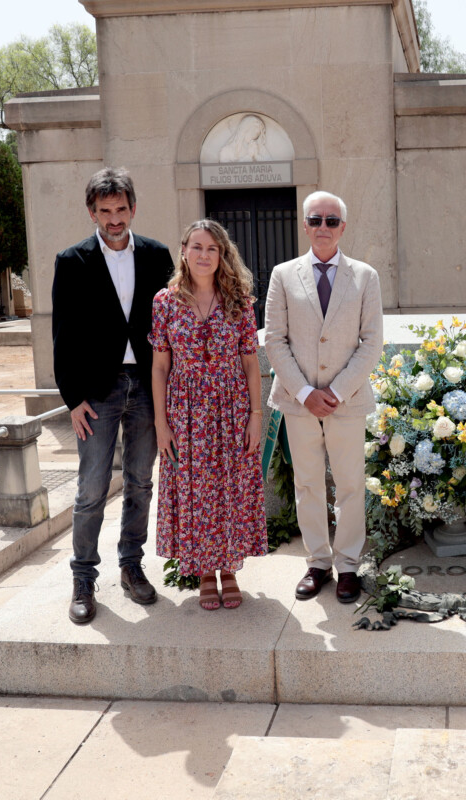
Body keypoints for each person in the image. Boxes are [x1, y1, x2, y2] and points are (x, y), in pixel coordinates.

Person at [52, 167, 174, 624]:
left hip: (146, 386)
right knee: (91, 489)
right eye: (104, 211)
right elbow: (62, 335)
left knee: (141, 481)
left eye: (121, 209)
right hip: (97, 393)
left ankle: (131, 565)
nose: (114, 218)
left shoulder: (158, 255)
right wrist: (72, 398)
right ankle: (83, 578)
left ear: (133, 209)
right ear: (92, 213)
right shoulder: (72, 261)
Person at [264, 191, 383, 603]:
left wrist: (332, 392)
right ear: (305, 225)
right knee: (308, 483)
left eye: (332, 221)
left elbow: (371, 343)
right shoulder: (283, 275)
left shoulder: (366, 277)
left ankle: (348, 565)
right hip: (298, 404)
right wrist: (304, 392)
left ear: (343, 228)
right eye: (316, 220)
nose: (323, 228)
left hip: (346, 402)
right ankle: (317, 563)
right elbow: (275, 341)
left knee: (350, 484)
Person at [150, 220, 268, 610]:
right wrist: (161, 424)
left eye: (212, 249)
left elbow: (251, 363)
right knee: (196, 489)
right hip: (184, 411)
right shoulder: (164, 302)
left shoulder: (240, 300)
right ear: (183, 250)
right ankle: (203, 570)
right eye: (197, 247)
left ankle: (229, 569)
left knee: (229, 487)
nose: (204, 255)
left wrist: (255, 415)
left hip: (231, 407)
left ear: (222, 255)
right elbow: (160, 368)